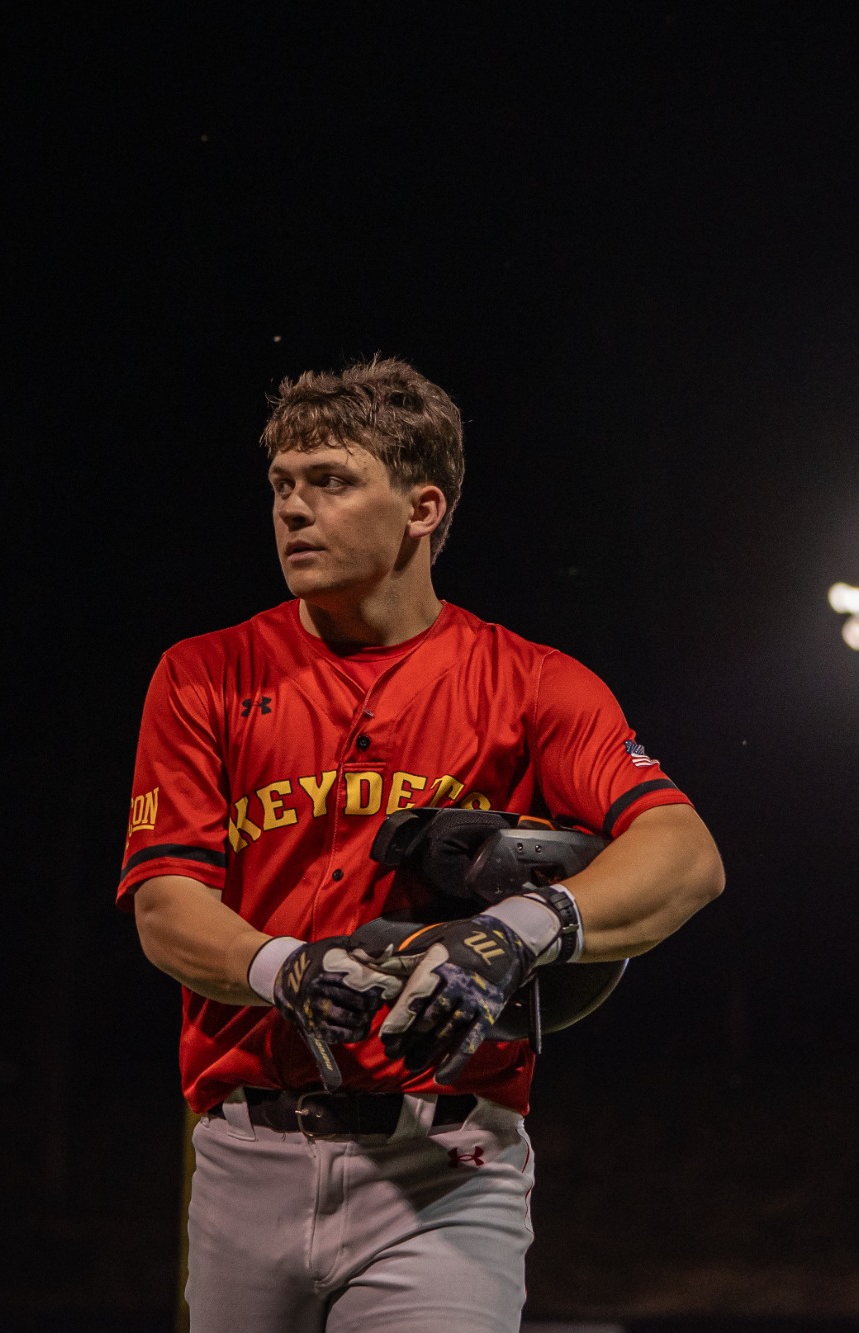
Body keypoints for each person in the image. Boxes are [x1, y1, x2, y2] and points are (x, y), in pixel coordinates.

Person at [121, 356, 726, 1331]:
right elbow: (164, 906)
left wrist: (521, 928)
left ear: (420, 506)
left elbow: (685, 854)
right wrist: (285, 967)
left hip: (445, 1159)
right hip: (243, 1155)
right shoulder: (203, 673)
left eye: (330, 480)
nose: (292, 510)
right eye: (281, 484)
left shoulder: (531, 681)